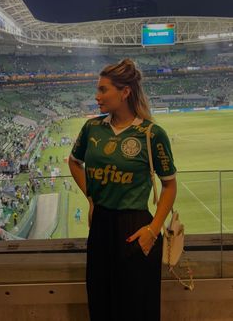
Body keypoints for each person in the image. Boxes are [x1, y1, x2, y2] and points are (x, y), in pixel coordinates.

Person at [68, 59, 177, 321]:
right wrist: (92, 198)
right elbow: (74, 162)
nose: (97, 96)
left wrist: (153, 229)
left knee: (137, 307)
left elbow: (170, 185)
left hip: (136, 227)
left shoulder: (151, 134)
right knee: (100, 301)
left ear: (125, 92)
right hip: (101, 225)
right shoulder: (92, 127)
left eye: (103, 90)